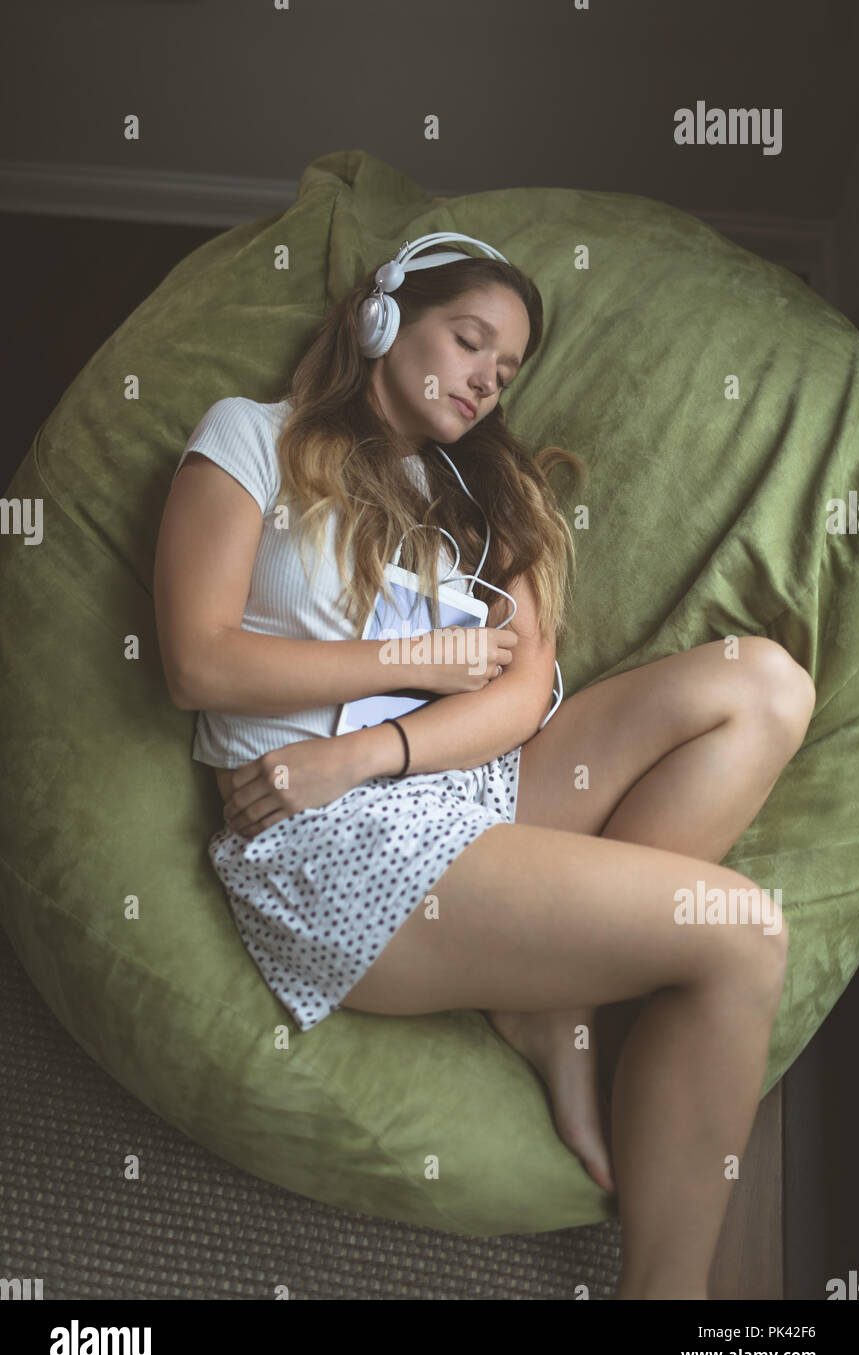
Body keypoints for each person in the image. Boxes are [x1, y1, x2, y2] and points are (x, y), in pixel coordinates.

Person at [153, 239, 816, 1301]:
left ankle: (552, 989)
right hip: (333, 838)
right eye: (468, 342)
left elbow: (516, 697)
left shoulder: (489, 494)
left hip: (441, 780)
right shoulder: (251, 438)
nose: (483, 380)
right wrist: (413, 666)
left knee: (766, 683)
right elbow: (195, 659)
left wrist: (366, 746)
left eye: (503, 371)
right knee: (739, 933)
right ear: (380, 319)